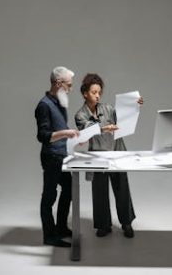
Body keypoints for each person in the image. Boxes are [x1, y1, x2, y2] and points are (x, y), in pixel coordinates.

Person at [74, 73, 144, 238]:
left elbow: (125, 117)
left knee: (122, 188)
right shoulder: (80, 114)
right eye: (94, 92)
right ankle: (103, 225)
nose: (97, 96)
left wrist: (135, 106)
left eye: (99, 92)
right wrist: (104, 128)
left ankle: (126, 223)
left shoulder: (109, 109)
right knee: (99, 191)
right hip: (98, 156)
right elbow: (85, 131)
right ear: (85, 93)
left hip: (116, 152)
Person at [35, 66, 80, 247]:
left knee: (68, 191)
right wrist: (66, 133)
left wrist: (75, 137)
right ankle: (49, 235)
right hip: (51, 157)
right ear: (58, 83)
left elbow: (61, 129)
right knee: (49, 196)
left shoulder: (60, 102)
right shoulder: (44, 105)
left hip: (62, 155)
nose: (70, 89)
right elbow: (43, 136)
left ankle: (61, 227)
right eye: (69, 85)